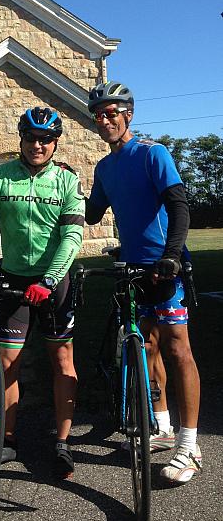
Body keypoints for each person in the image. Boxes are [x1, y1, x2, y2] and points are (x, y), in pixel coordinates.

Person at [0, 107, 85, 478]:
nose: (37, 145)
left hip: (52, 283)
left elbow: (73, 236)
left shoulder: (67, 182)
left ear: (55, 143)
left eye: (45, 139)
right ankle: (7, 441)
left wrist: (49, 280)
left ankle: (62, 442)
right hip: (12, 280)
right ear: (21, 139)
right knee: (9, 365)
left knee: (62, 362)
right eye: (31, 137)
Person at [85, 81, 202, 485]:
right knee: (147, 345)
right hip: (131, 268)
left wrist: (171, 255)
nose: (105, 120)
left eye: (112, 112)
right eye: (98, 114)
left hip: (164, 266)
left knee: (176, 347)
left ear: (128, 114)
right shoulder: (104, 167)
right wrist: (66, 184)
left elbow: (179, 205)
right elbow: (93, 212)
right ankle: (163, 424)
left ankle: (190, 445)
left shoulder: (153, 153)